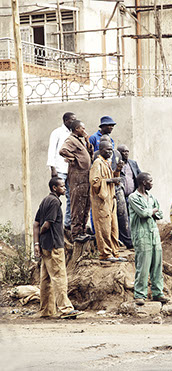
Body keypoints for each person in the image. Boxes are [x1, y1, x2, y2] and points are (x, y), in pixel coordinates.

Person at [33, 177, 82, 319]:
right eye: (62, 186)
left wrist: (37, 243)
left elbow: (36, 223)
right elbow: (46, 225)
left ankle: (46, 310)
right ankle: (66, 309)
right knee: (59, 277)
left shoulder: (45, 200)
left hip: (45, 247)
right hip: (54, 245)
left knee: (46, 279)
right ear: (54, 188)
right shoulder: (54, 202)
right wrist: (42, 236)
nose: (65, 188)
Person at [129, 172, 169, 306]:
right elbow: (143, 213)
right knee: (143, 266)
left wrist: (151, 211)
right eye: (150, 181)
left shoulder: (152, 197)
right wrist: (152, 211)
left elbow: (160, 214)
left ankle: (158, 293)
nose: (152, 183)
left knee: (157, 264)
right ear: (144, 182)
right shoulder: (133, 197)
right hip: (141, 235)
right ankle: (140, 294)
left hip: (154, 234)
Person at [89, 141, 127, 262]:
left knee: (113, 228)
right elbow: (95, 182)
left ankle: (115, 252)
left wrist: (117, 170)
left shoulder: (107, 163)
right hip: (102, 201)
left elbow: (112, 179)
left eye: (111, 149)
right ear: (100, 150)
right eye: (107, 150)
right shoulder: (97, 163)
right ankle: (105, 254)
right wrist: (110, 180)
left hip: (111, 201)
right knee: (104, 228)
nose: (110, 152)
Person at [59, 120, 93, 243]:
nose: (84, 130)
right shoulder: (71, 140)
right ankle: (76, 233)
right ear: (76, 129)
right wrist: (73, 159)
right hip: (78, 179)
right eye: (82, 128)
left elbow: (90, 153)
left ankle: (83, 230)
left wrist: (87, 140)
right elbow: (62, 150)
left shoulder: (80, 140)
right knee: (77, 205)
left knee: (85, 204)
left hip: (85, 178)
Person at [47, 112, 76, 230]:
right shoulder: (57, 132)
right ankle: (53, 221)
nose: (73, 122)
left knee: (71, 197)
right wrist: (52, 168)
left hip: (71, 170)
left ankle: (68, 223)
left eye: (75, 119)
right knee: (56, 196)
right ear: (65, 120)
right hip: (60, 169)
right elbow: (51, 150)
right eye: (71, 120)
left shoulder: (74, 133)